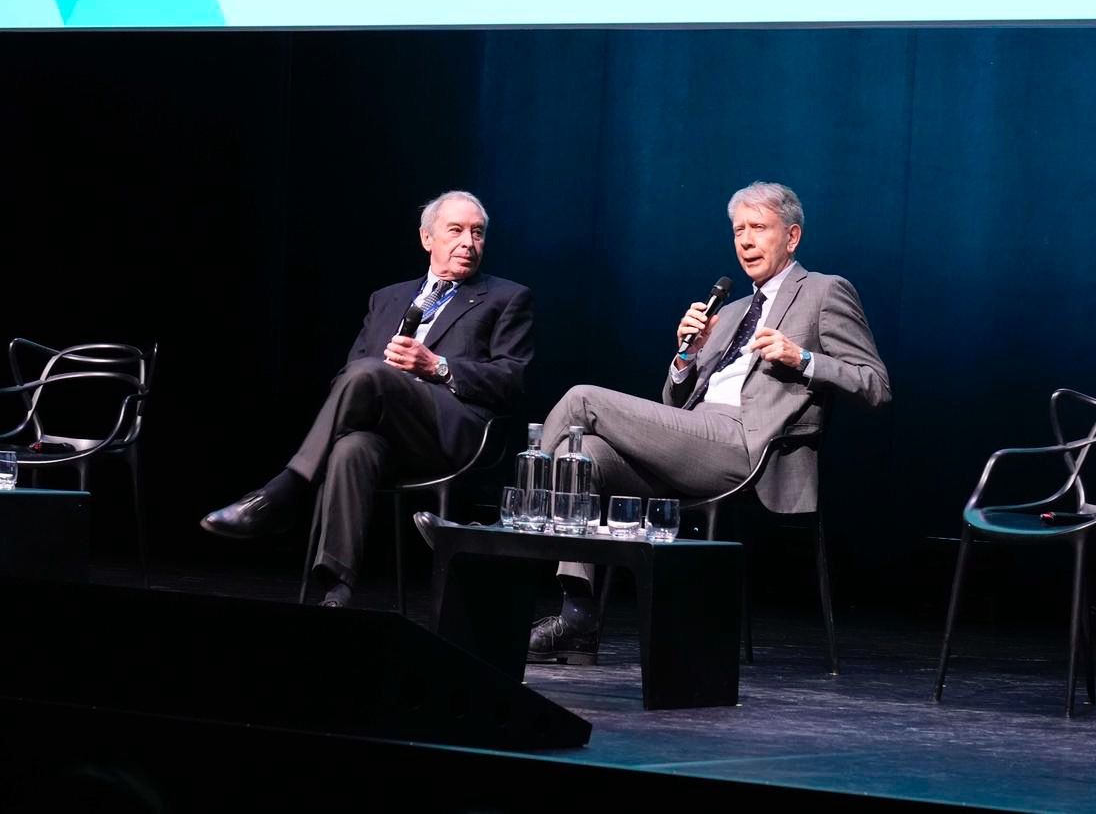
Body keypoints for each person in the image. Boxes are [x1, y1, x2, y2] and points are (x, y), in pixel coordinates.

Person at [530, 181, 890, 663]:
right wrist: (686, 358)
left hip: (748, 444)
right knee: (582, 455)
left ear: (792, 236)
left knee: (582, 399)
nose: (746, 241)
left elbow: (875, 385)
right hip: (695, 439)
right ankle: (578, 617)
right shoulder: (732, 311)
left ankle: (515, 521)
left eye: (758, 228)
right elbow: (675, 403)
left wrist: (802, 358)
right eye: (738, 230)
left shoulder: (824, 291)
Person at [200, 190, 534, 608]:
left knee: (370, 372)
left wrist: (437, 366)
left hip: (451, 433)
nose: (468, 242)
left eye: (477, 233)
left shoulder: (506, 297)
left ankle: (287, 490)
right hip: (386, 430)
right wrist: (380, 380)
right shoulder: (387, 298)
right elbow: (348, 375)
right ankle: (336, 590)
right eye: (456, 231)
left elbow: (511, 380)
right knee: (352, 446)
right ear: (427, 238)